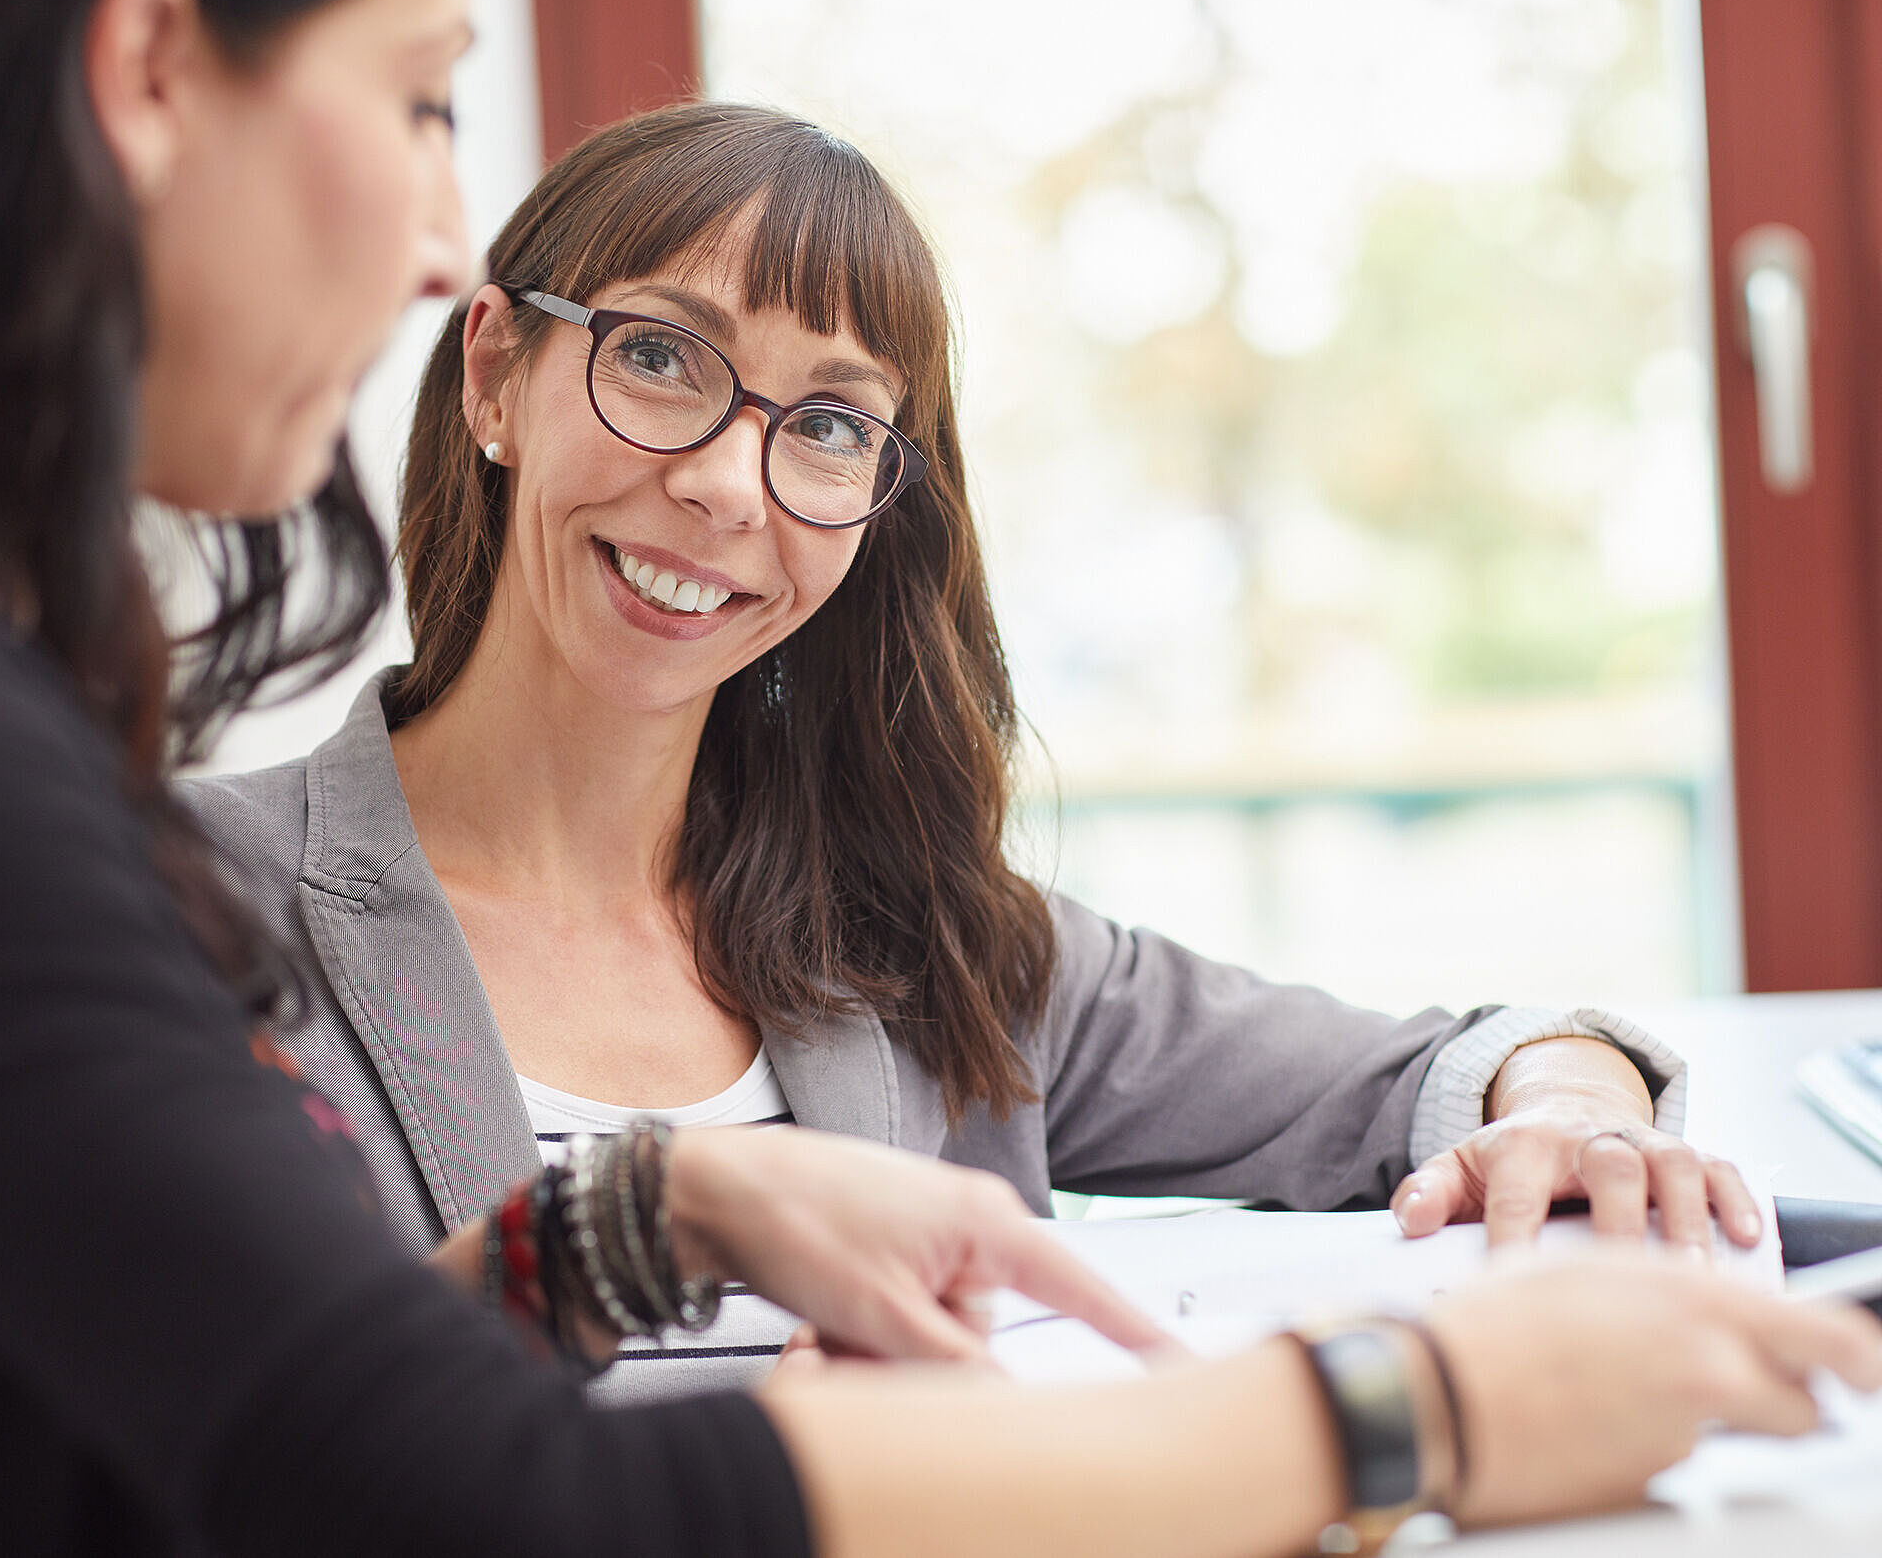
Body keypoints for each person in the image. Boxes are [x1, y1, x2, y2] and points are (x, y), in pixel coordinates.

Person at [0, 0, 1873, 1558]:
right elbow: (426, 1496)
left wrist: (637, 1217)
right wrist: (1407, 1414)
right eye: (422, 99)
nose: (439, 236)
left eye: (828, 427)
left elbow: (152, 1407)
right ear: (140, 69)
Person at [183, 99, 1764, 1397]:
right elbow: (209, 1441)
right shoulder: (185, 901)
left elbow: (1428, 1071)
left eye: (826, 424)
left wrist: (1581, 1098)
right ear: (493, 379)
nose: (733, 487)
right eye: (661, 355)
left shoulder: (915, 938)